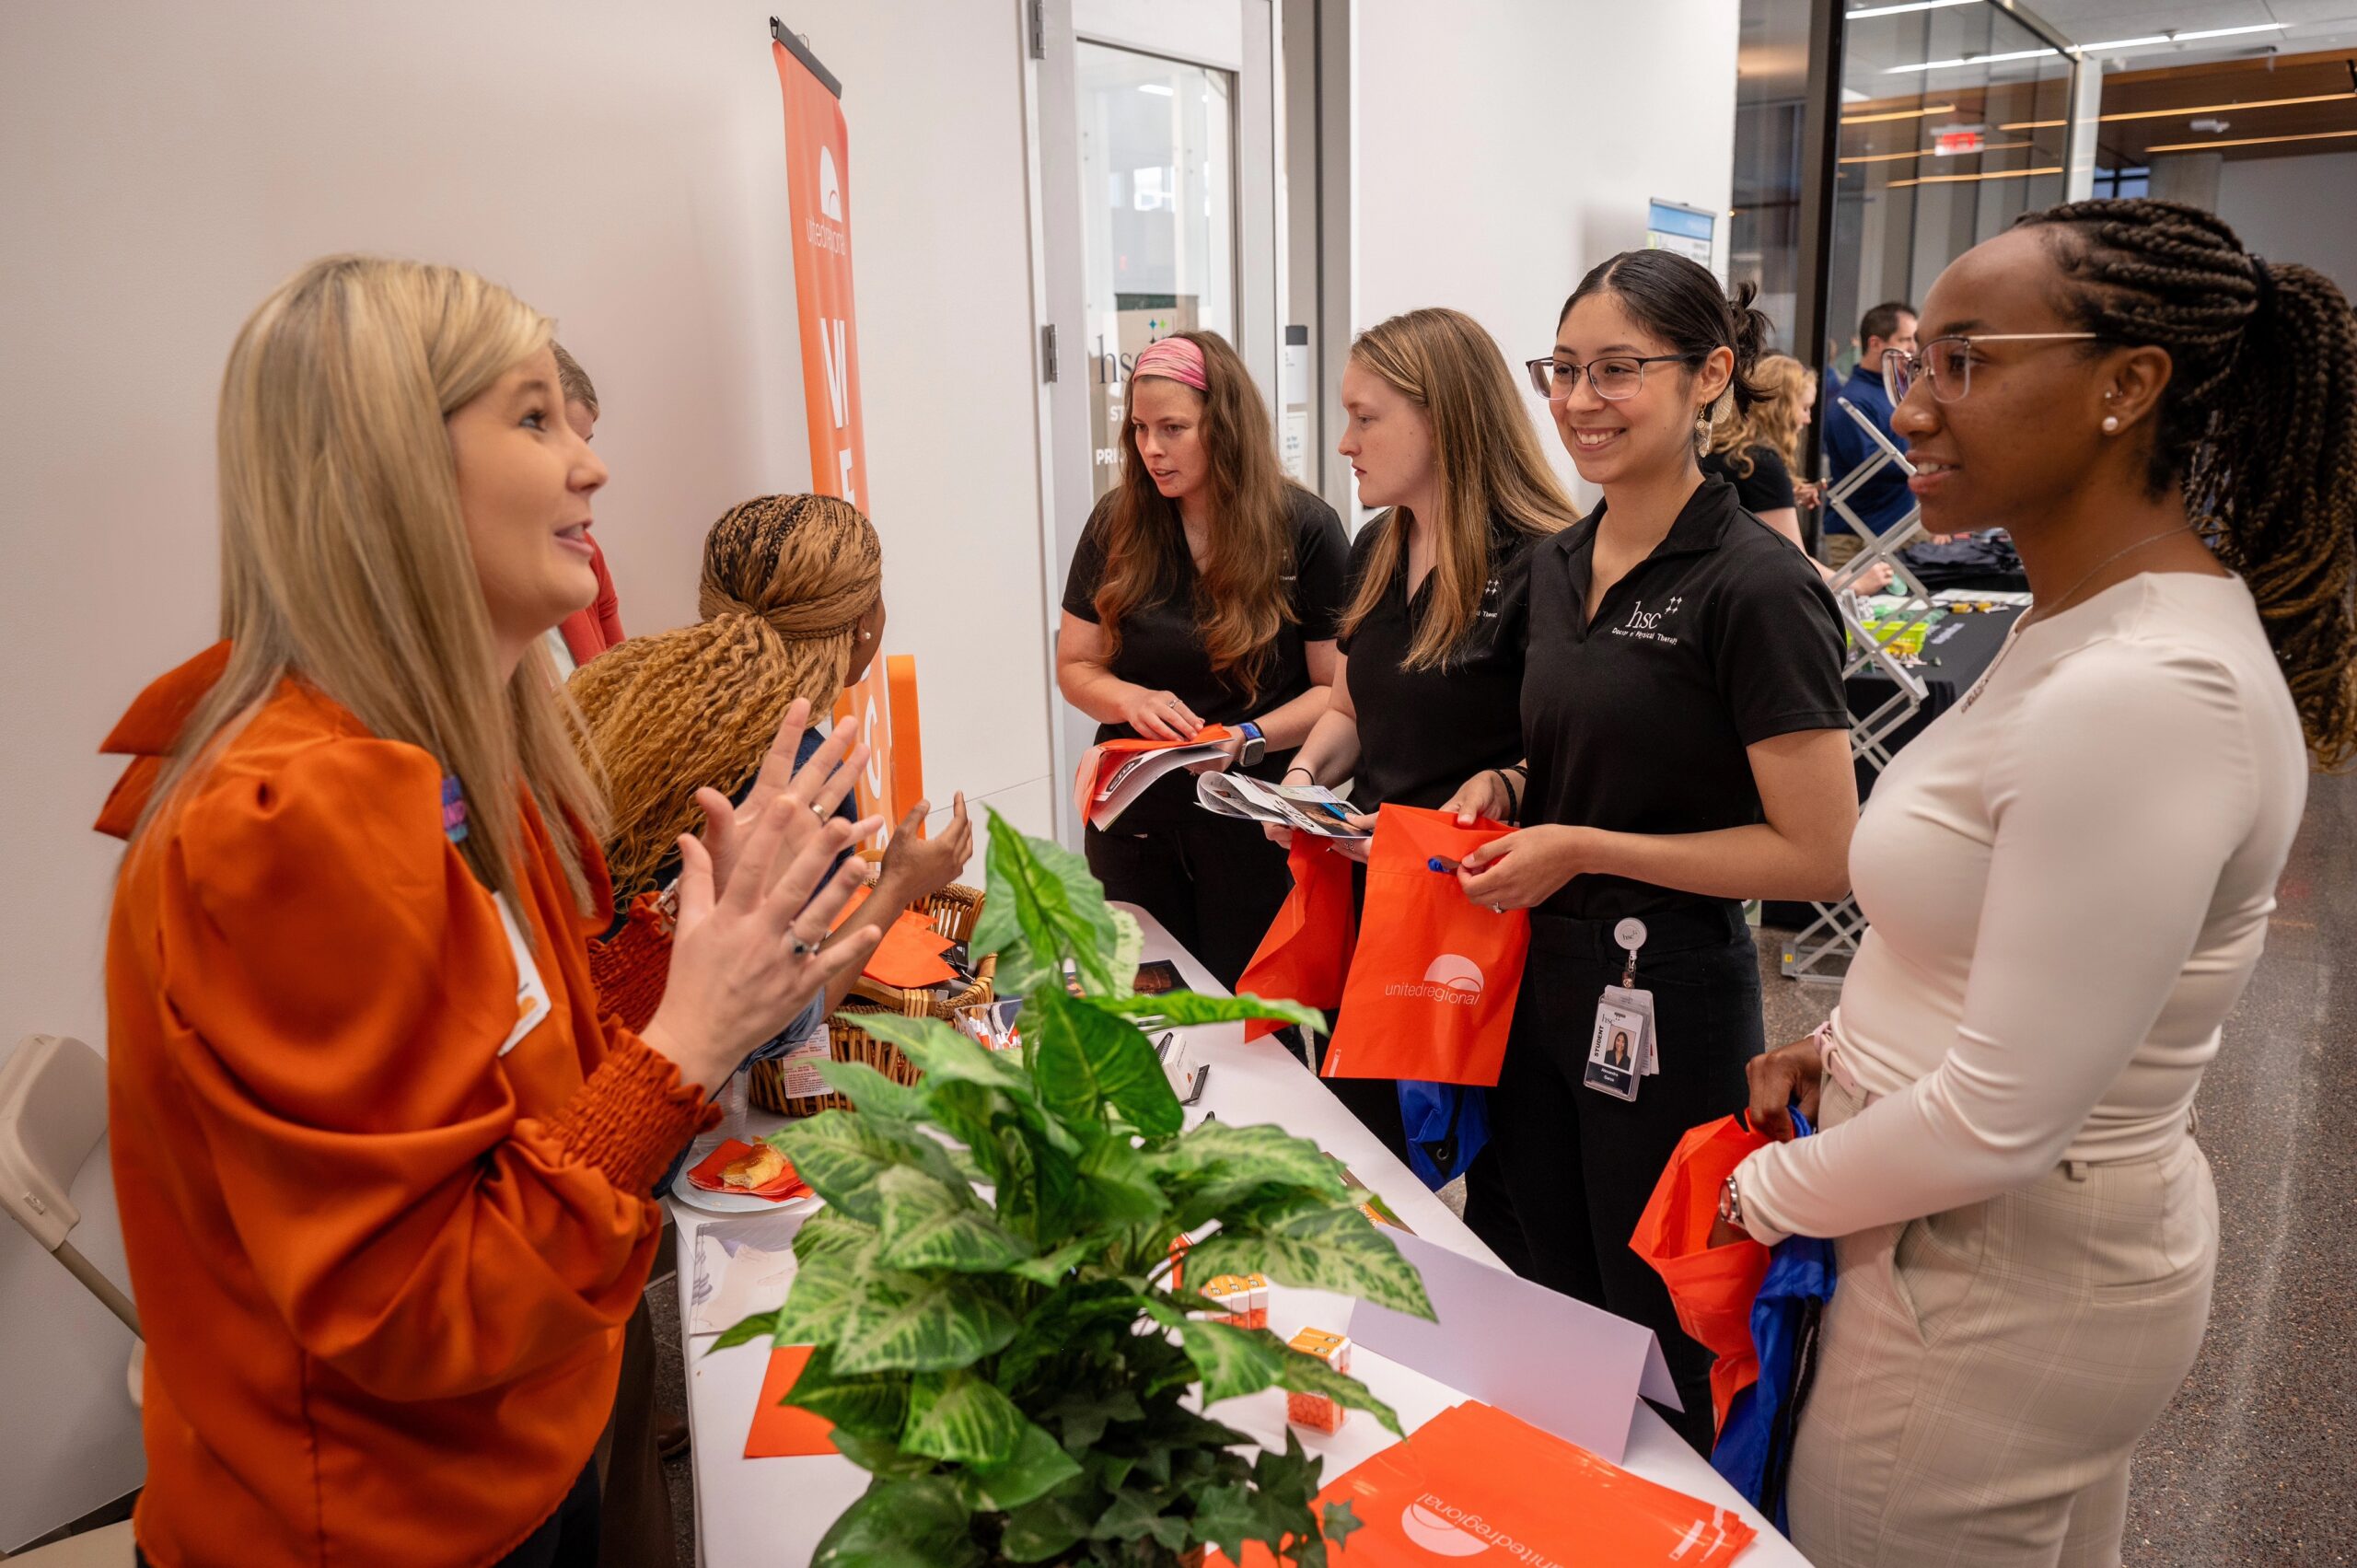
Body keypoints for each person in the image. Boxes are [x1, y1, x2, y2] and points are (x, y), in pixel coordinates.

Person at [103, 255, 883, 1568]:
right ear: (390, 471)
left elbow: (515, 1083)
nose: (591, 466)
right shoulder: (294, 819)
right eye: (534, 420)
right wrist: (692, 1034)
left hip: (515, 1466)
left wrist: (710, 965)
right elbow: (423, 1299)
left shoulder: (456, 767)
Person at [1719, 200, 2348, 1567]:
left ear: (2129, 386)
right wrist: (1838, 1046)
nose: (1917, 409)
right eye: (1911, 364)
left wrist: (1754, 1197)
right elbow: (1997, 937)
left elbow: (2003, 1117)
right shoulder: (2075, 623)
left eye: (1967, 361)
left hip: (1991, 1269)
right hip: (1966, 1233)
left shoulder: (2144, 689)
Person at [1447, 250, 1859, 1450]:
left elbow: (1820, 850)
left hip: (1667, 990)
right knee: (1539, 1274)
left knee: (1661, 1326)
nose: (1580, 399)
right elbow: (1578, 749)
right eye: (1563, 369)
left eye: (1618, 370)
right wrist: (1509, 784)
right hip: (1534, 972)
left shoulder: (1757, 585)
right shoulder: (1557, 564)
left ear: (1711, 376)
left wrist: (1580, 842)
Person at [1270, 307, 1574, 1267]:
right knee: (1364, 1159)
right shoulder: (1375, 546)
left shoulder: (1545, 563)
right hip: (1384, 904)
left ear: (1439, 417)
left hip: (1489, 923)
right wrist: (1301, 777)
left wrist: (1507, 783)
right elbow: (1355, 708)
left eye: (1365, 417)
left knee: (1516, 1196)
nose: (1343, 441)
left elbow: (1576, 756)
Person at [1057, 331, 1348, 988]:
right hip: (1134, 825)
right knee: (1148, 1015)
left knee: (1250, 1025)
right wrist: (1129, 700)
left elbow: (1336, 693)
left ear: (1225, 424)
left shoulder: (1305, 529)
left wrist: (1246, 739)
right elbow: (1075, 665)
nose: (1151, 449)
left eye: (1173, 428)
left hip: (1250, 825)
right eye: (1139, 429)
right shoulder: (1117, 523)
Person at [1703, 352, 1893, 594]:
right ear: (1780, 408)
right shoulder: (1762, 463)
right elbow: (1792, 559)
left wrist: (1782, 497)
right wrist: (1856, 584)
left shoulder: (1719, 449)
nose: (1807, 419)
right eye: (1804, 408)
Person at [1820, 300, 1919, 567]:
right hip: (1858, 538)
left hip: (1895, 530)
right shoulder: (1851, 402)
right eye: (1905, 339)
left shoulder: (1897, 393)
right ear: (1876, 343)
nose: (1913, 349)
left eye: (1915, 339)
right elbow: (1871, 464)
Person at [550, 343, 627, 672]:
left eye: (585, 445)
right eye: (558, 444)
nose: (594, 471)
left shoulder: (584, 551)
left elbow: (625, 691)